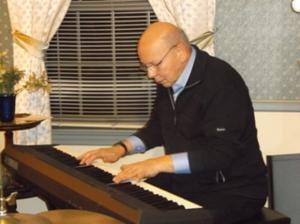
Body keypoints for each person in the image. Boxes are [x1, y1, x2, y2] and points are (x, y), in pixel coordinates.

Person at [78, 22, 267, 224]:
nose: (151, 74)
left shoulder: (222, 81)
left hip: (234, 190)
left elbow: (221, 154)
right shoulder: (169, 78)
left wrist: (157, 163)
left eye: (156, 64)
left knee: (153, 219)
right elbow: (156, 128)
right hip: (190, 181)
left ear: (181, 51)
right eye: (146, 66)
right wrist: (120, 149)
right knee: (122, 200)